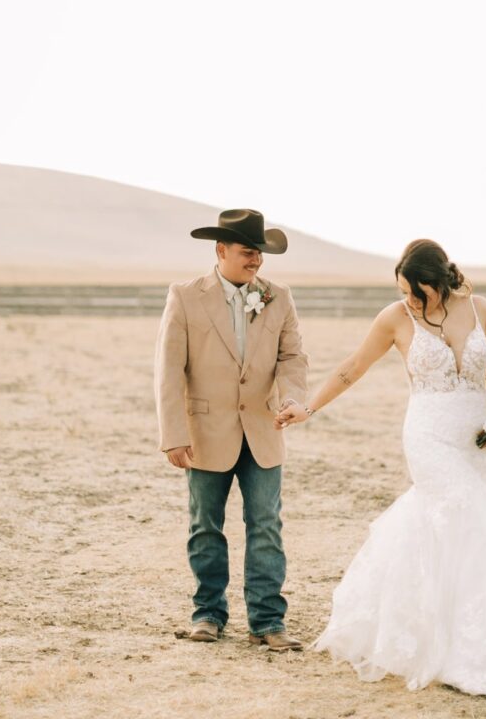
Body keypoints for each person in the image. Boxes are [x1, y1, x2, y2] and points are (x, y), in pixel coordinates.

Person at [276, 238, 486, 695]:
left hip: (480, 438)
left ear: (437, 282)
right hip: (428, 435)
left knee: (469, 527)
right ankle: (460, 657)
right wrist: (309, 408)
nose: (409, 298)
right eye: (404, 290)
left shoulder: (480, 308)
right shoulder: (394, 318)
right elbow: (353, 367)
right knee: (466, 514)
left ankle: (471, 640)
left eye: (415, 290)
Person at [154, 208, 308, 650]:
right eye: (247, 252)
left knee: (266, 526)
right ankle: (207, 614)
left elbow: (292, 357)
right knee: (205, 526)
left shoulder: (279, 296)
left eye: (259, 253)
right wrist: (174, 432)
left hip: (263, 429)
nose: (256, 260)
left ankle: (267, 621)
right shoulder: (184, 296)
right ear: (220, 251)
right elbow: (169, 369)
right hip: (205, 431)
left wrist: (293, 398)